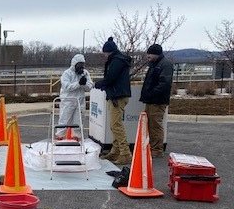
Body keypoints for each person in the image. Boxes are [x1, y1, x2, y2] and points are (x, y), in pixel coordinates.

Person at [94, 37, 133, 165]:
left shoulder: (116, 61)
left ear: (108, 51)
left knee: (116, 125)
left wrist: (99, 84)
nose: (104, 55)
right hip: (117, 95)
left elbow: (111, 78)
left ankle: (125, 153)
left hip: (117, 96)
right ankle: (116, 151)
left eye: (105, 52)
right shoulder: (118, 60)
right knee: (114, 125)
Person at [140, 44, 173, 157]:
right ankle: (153, 147)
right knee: (150, 124)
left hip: (158, 100)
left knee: (155, 125)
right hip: (151, 100)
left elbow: (164, 83)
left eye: (150, 54)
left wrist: (151, 92)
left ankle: (157, 149)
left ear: (156, 54)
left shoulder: (165, 65)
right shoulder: (154, 64)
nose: (148, 56)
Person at [56, 54, 93, 139]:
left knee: (78, 121)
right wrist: (78, 83)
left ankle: (77, 137)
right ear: (74, 64)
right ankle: (60, 136)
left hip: (80, 101)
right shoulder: (67, 74)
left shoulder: (85, 73)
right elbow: (67, 87)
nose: (81, 67)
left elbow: (89, 86)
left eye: (82, 64)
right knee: (64, 120)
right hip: (68, 101)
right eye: (79, 64)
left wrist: (84, 84)